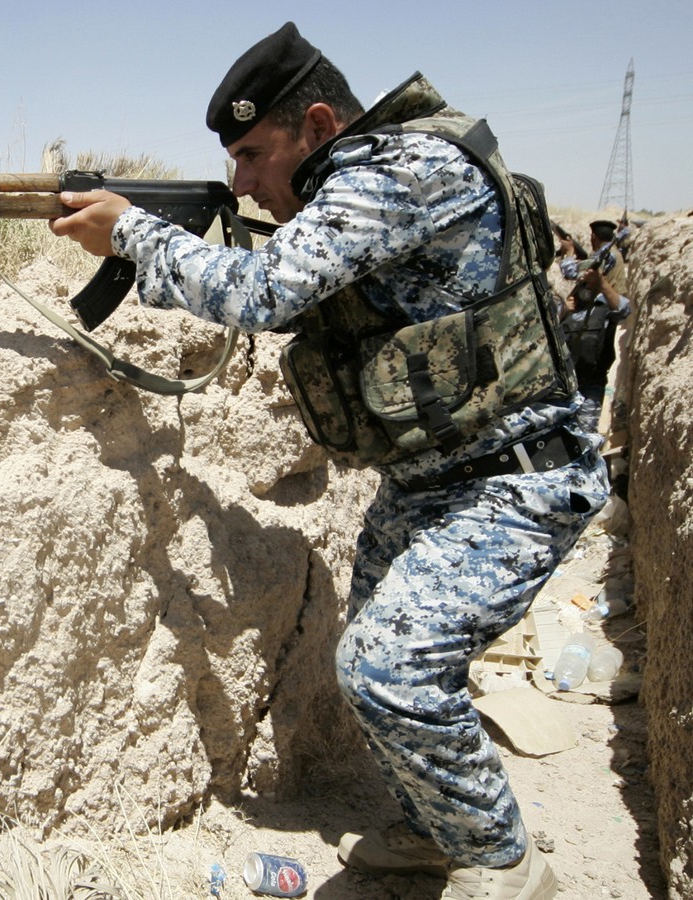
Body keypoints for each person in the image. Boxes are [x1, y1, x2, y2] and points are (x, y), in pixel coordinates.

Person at [49, 22, 608, 900]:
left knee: (392, 669)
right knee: (388, 664)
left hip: (515, 479)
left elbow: (260, 293)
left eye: (252, 153)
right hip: (433, 481)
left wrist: (134, 236)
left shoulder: (400, 174)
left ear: (316, 125)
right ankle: (434, 830)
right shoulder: (365, 183)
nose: (243, 182)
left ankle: (505, 866)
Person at [561, 265, 631, 433]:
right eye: (581, 283)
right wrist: (562, 310)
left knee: (585, 436)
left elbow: (625, 309)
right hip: (564, 389)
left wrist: (602, 283)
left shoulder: (603, 306)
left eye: (588, 284)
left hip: (591, 386)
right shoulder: (566, 309)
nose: (585, 288)